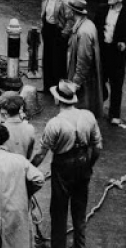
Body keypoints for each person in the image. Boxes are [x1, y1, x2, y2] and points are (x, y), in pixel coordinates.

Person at [31, 80, 103, 248]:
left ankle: (58, 245)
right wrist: (89, 165)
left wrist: (28, 168)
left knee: (59, 211)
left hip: (62, 168)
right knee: (80, 209)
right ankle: (80, 245)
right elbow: (97, 146)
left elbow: (41, 153)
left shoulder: (54, 124)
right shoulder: (88, 116)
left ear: (57, 100)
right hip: (84, 164)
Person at [66, 0, 105, 117]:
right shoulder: (87, 24)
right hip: (86, 78)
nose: (66, 11)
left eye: (67, 9)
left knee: (81, 112)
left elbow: (83, 61)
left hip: (84, 81)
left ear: (72, 12)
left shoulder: (84, 32)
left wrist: (75, 83)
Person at [95, 0, 126, 125]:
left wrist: (125, 43)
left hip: (117, 53)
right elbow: (96, 27)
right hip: (103, 50)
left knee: (116, 83)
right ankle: (97, 107)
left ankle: (114, 114)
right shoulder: (102, 9)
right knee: (100, 79)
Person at [41, 0, 72, 94]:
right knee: (47, 58)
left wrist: (64, 34)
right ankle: (47, 86)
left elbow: (70, 19)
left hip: (58, 31)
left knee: (58, 61)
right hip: (48, 29)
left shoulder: (64, 0)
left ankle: (59, 89)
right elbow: (44, 14)